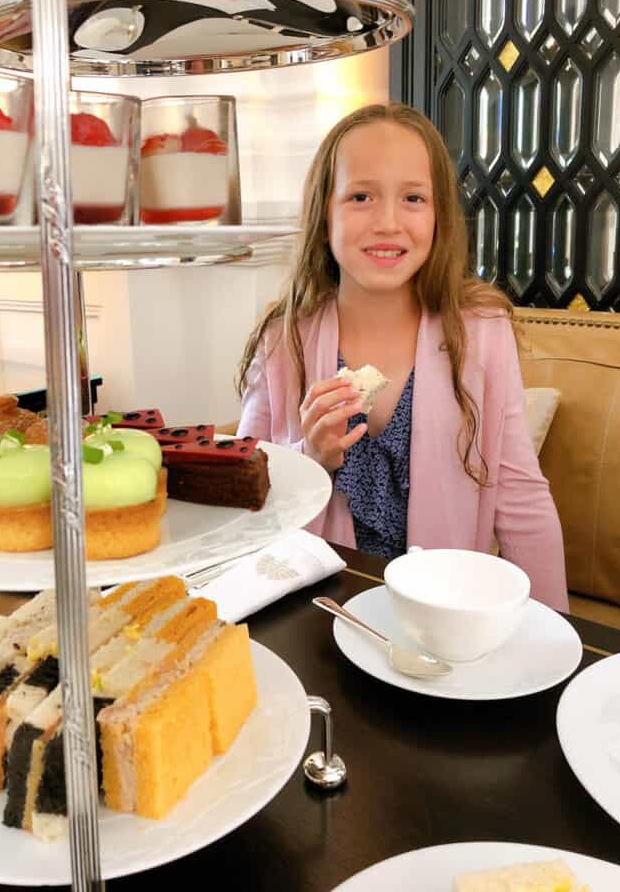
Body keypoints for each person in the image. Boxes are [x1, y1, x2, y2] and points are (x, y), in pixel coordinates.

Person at [237, 103, 568, 611]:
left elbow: (521, 497)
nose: (388, 222)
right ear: (324, 217)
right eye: (361, 196)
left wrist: (557, 636)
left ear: (439, 218)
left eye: (413, 198)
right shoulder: (285, 340)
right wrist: (311, 459)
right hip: (316, 612)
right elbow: (241, 497)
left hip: (444, 615)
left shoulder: (481, 333)